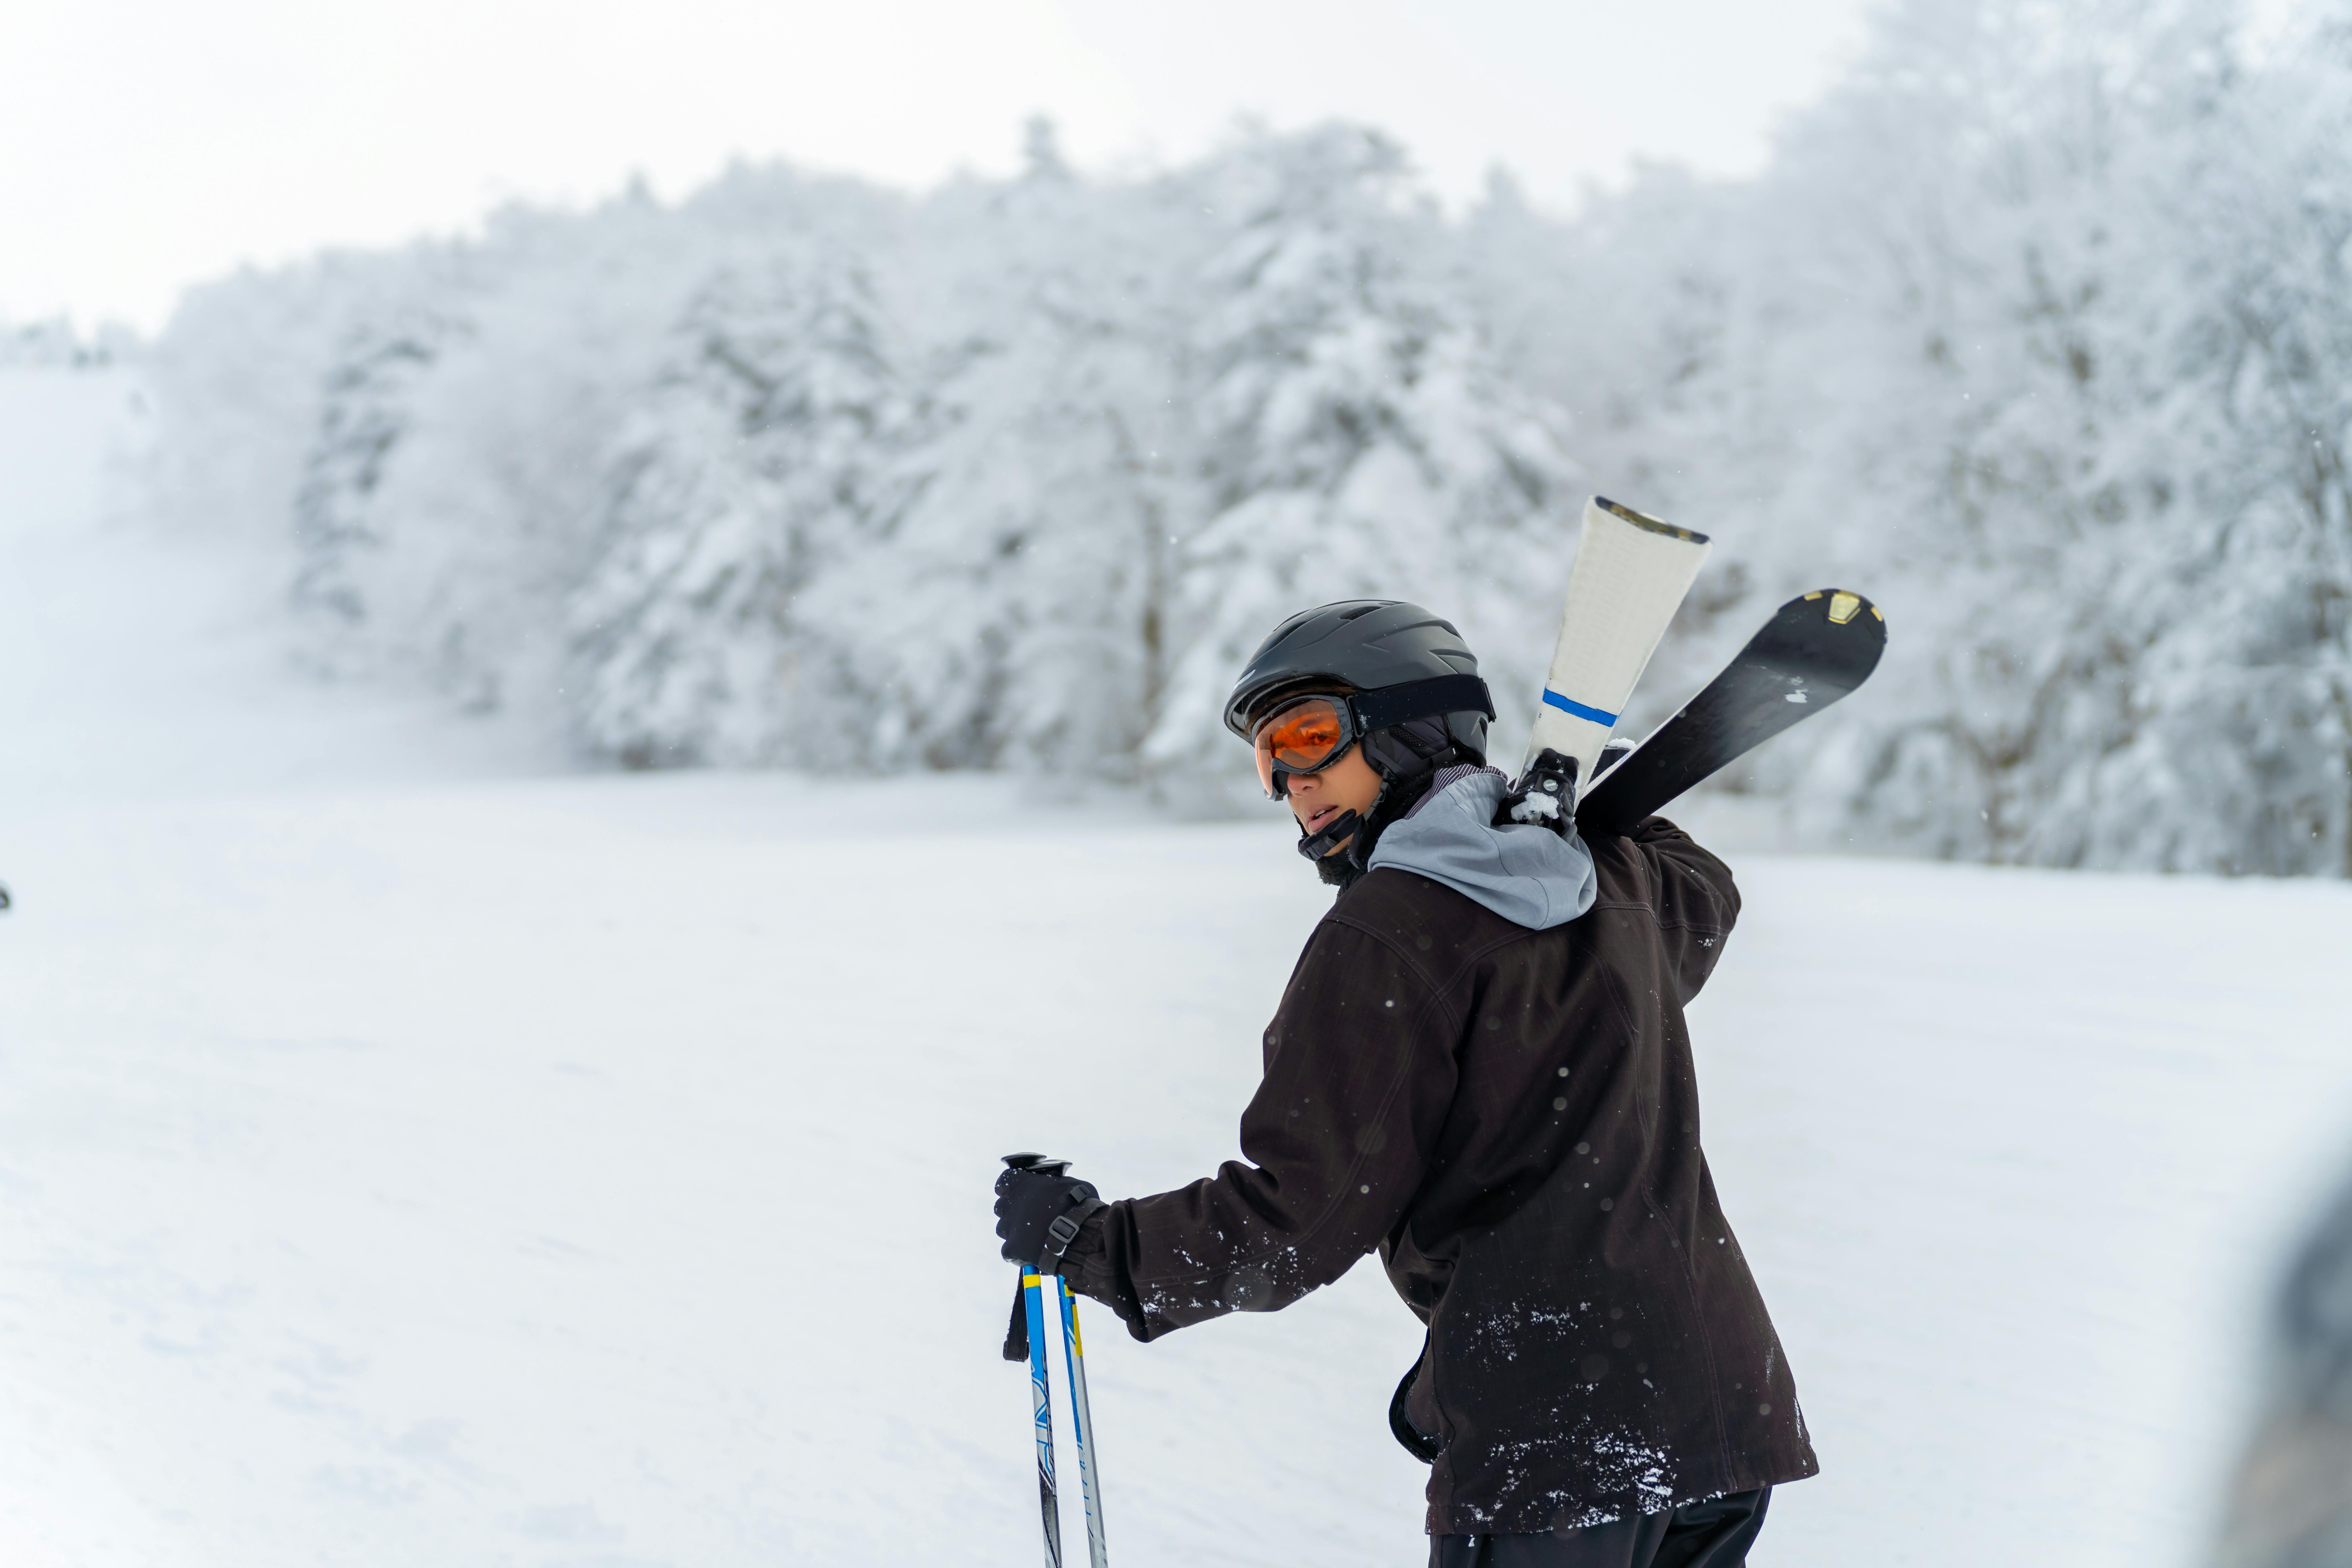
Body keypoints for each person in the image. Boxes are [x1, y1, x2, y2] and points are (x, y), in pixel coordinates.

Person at [994, 600, 1818, 1566]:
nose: (1292, 784)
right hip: (1720, 1408)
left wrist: (1096, 1247)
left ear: (1411, 730)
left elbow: (1296, 1219)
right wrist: (1606, 818)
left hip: (1557, 1434)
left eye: (1311, 737)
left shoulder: (1390, 932)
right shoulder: (1615, 880)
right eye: (1269, 759)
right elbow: (1706, 897)